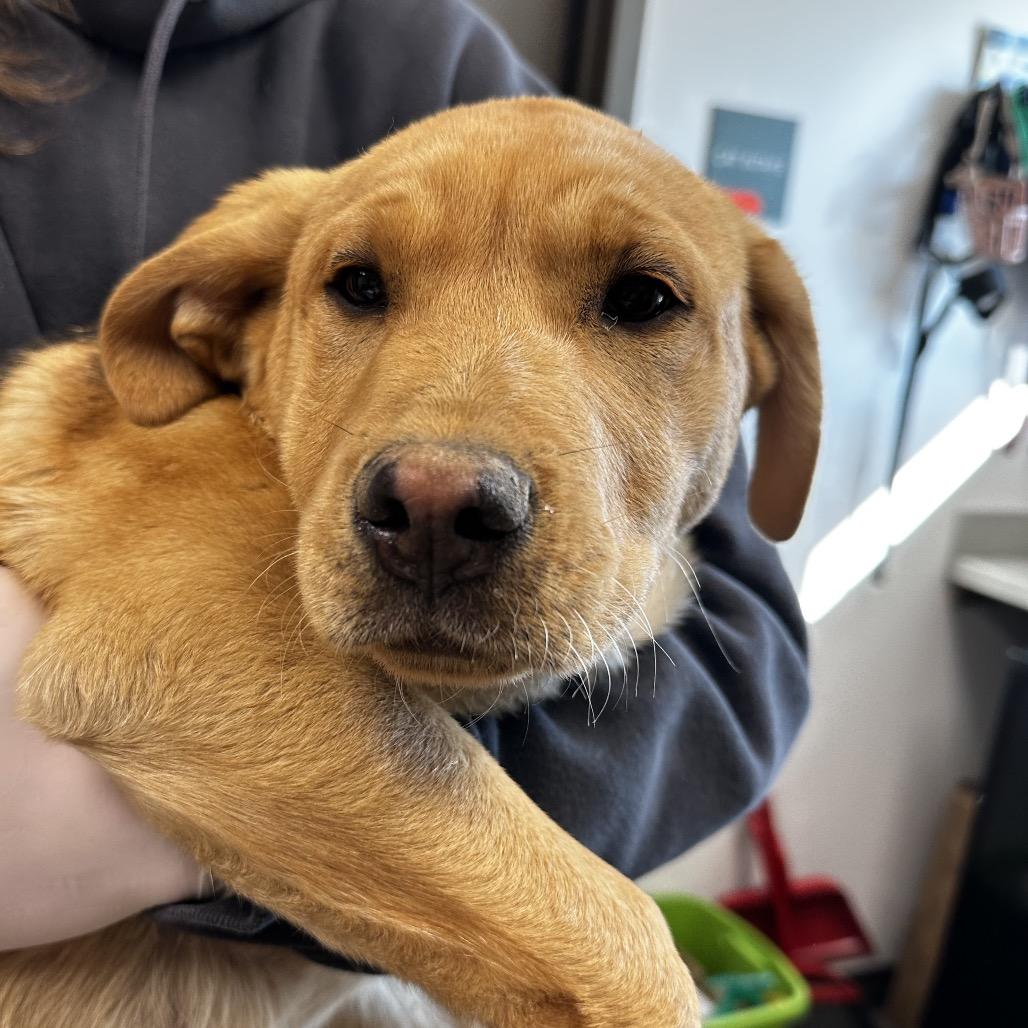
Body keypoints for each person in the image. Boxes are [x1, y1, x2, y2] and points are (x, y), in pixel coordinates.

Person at [0, 0, 809, 966]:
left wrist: (247, 821)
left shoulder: (427, 55)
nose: (439, 490)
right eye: (361, 287)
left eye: (638, 300)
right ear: (232, 322)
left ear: (767, 363)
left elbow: (741, 661)